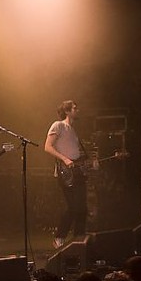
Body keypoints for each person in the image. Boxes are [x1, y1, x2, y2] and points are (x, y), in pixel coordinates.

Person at [44, 100, 98, 249]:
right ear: (67, 111)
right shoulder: (58, 125)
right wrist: (65, 159)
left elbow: (78, 156)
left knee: (83, 208)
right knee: (74, 206)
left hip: (77, 171)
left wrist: (90, 163)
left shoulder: (73, 131)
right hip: (65, 171)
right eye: (74, 108)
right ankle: (59, 237)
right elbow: (47, 147)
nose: (77, 110)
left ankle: (79, 239)